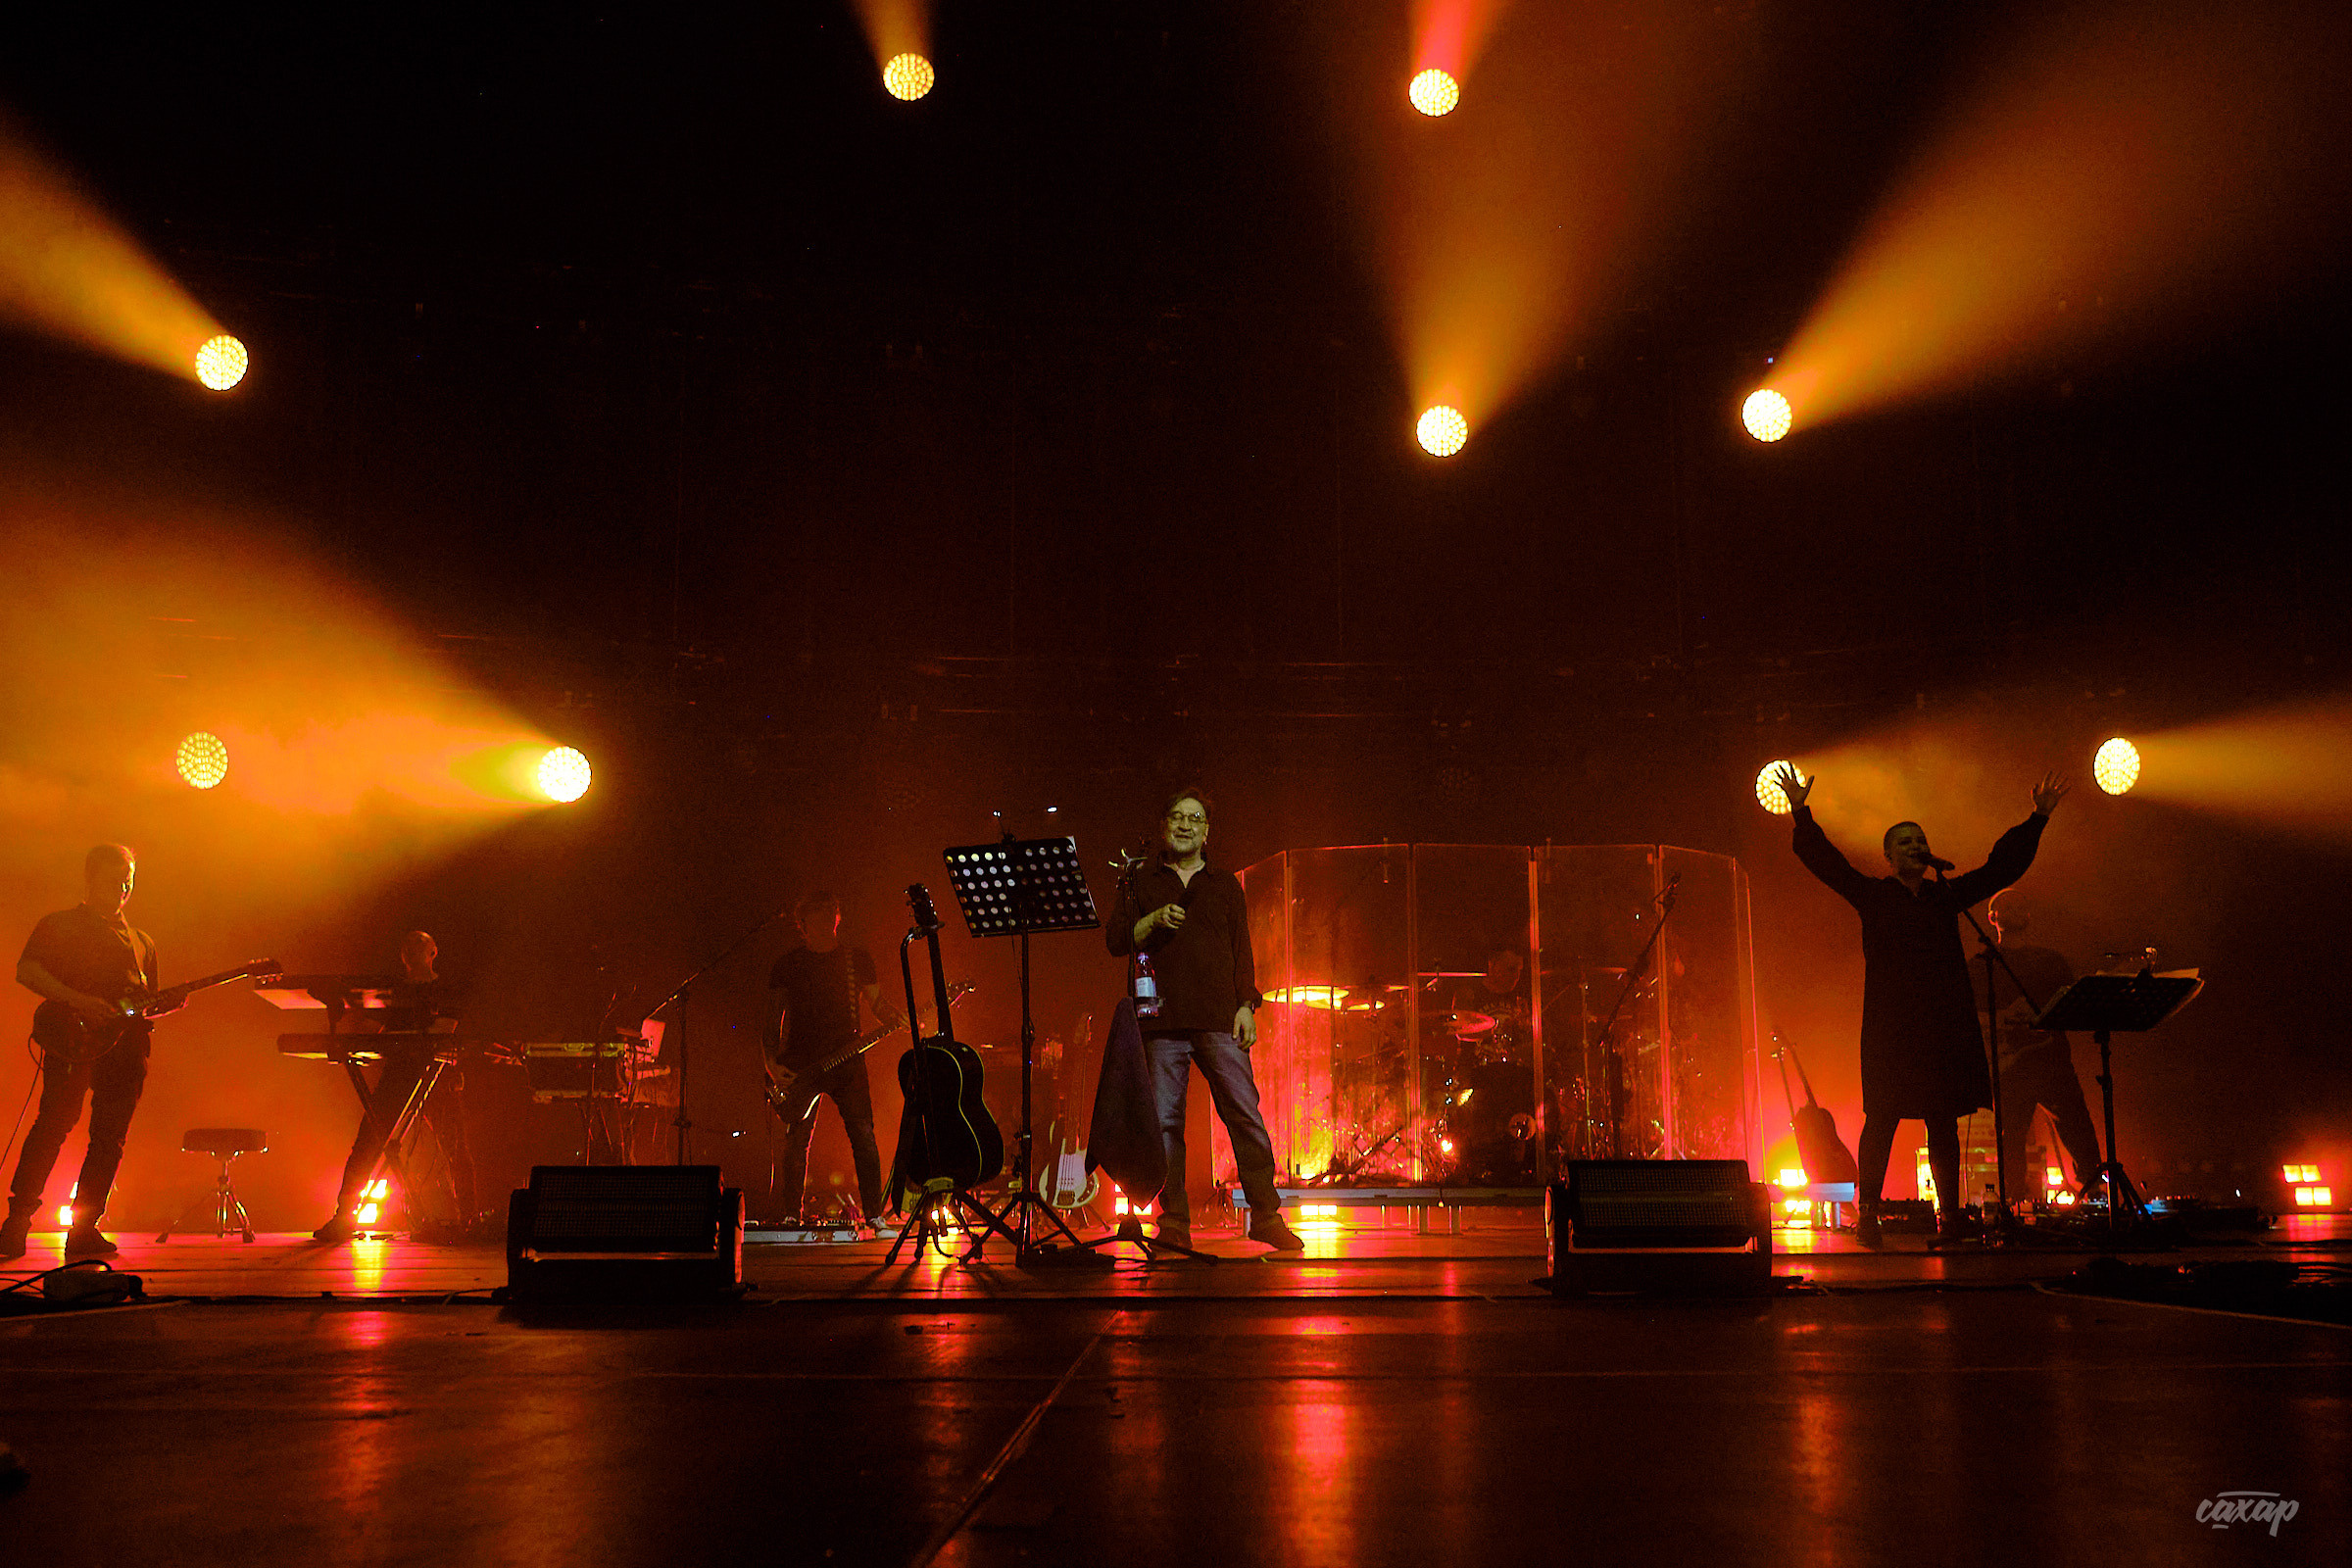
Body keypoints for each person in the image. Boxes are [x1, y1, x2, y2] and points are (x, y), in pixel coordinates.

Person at [1774, 765, 2070, 1245]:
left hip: (1941, 1025)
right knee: (1883, 1119)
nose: (1915, 847)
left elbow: (2000, 869)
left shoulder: (1943, 895)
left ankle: (1948, 1216)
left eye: (1920, 840)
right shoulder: (1875, 895)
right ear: (1890, 856)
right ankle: (1867, 1213)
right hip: (1892, 1027)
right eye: (1905, 842)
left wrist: (2037, 818)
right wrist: (1801, 812)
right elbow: (1827, 864)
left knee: (1943, 1120)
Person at [1105, 788, 1301, 1252]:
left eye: (1195, 818)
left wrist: (1245, 1005)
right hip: (1161, 1020)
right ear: (1163, 826)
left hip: (1219, 1018)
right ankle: (1173, 1221)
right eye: (1177, 817)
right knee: (1166, 1125)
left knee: (1244, 1116)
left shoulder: (1224, 884)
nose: (1186, 825)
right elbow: (1116, 941)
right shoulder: (1139, 881)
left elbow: (1242, 950)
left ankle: (1265, 1216)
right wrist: (1151, 920)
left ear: (1207, 830)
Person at [4, 845, 172, 1261]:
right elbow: (28, 971)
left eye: (129, 878)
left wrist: (165, 1005)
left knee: (109, 1138)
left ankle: (84, 1230)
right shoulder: (60, 925)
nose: (124, 886)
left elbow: (143, 1001)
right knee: (54, 1125)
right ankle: (16, 1222)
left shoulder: (142, 941)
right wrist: (77, 1000)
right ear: (90, 878)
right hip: (73, 1041)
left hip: (126, 1049)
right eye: (115, 877)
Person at [314, 931, 475, 1241]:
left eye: (419, 944)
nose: (411, 951)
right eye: (406, 946)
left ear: (433, 951)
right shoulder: (394, 993)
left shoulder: (446, 990)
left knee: (455, 1147)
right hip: (400, 1073)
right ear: (402, 956)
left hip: (436, 1075)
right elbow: (377, 1031)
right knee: (367, 1142)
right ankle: (344, 1217)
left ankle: (469, 1219)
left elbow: (442, 1030)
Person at [766, 892, 894, 1229]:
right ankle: (792, 1214)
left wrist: (896, 1016)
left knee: (863, 1136)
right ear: (803, 925)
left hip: (847, 1060)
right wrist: (771, 1064)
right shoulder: (788, 964)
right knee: (797, 1140)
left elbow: (877, 1004)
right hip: (800, 1064)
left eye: (829, 918)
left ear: (837, 920)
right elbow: (770, 1021)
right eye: (815, 919)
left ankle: (875, 1215)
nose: (823, 925)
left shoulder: (857, 959)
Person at [1974, 893, 2103, 1200]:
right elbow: (1970, 1012)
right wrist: (2007, 1017)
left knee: (2076, 1124)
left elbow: (2071, 1005)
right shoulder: (1982, 965)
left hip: (2051, 1059)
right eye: (2006, 906)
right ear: (1992, 917)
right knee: (2011, 1135)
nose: (2016, 908)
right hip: (2010, 1064)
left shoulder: (2050, 960)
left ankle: (2094, 1191)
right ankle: (2013, 1202)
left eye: (2021, 904)